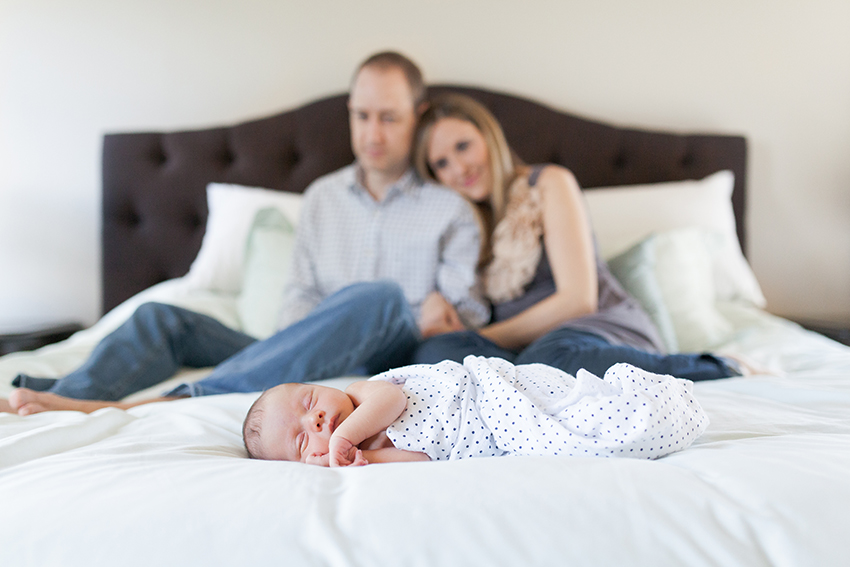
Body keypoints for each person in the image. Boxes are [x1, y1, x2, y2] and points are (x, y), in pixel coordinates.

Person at [1, 53, 488, 416]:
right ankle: (70, 394)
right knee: (160, 318)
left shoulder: (451, 209)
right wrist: (309, 337)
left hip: (383, 351)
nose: (373, 134)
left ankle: (169, 399)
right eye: (362, 116)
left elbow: (459, 314)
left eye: (389, 117)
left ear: (418, 115)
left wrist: (404, 313)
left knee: (376, 299)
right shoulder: (323, 196)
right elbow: (298, 293)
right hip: (291, 344)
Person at [409, 93, 742, 380]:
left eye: (463, 147)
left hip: (593, 329)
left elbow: (578, 300)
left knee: (549, 361)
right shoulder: (463, 225)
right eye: (441, 163)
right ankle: (521, 382)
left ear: (489, 137)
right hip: (522, 351)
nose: (459, 169)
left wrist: (482, 338)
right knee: (432, 353)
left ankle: (713, 367)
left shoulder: (548, 183)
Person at [242, 355, 709, 464]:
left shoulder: (363, 393)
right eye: (303, 438)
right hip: (489, 435)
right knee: (579, 437)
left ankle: (652, 399)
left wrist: (340, 440)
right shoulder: (365, 453)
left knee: (579, 408)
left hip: (493, 393)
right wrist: (349, 461)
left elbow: (394, 400)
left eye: (308, 402)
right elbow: (423, 459)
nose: (316, 419)